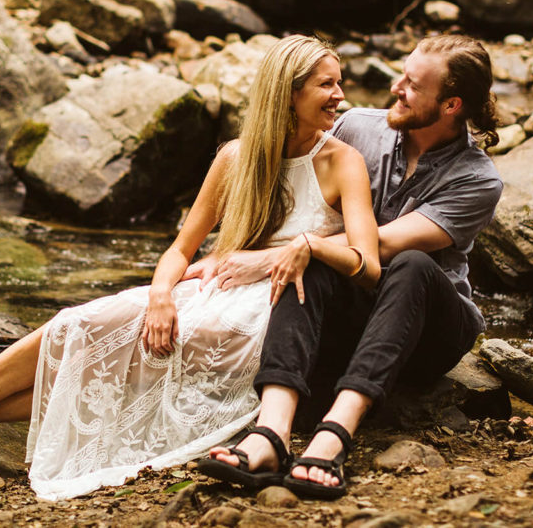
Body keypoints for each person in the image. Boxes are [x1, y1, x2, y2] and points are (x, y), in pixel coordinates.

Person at [0, 35, 380, 501]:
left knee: (128, 369)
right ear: (286, 93)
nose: (340, 97)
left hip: (273, 307)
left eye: (339, 83)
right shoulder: (236, 158)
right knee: (78, 323)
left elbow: (366, 263)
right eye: (326, 85)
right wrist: (160, 297)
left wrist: (304, 244)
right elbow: (179, 249)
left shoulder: (342, 162)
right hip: (209, 286)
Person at [194, 34, 503, 499]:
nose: (396, 88)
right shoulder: (358, 126)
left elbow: (380, 244)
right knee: (316, 261)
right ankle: (270, 433)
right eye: (402, 74)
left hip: (429, 329)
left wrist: (267, 258)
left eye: (413, 86)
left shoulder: (478, 179)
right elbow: (299, 187)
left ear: (451, 105)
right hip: (357, 309)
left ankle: (333, 434)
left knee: (413, 264)